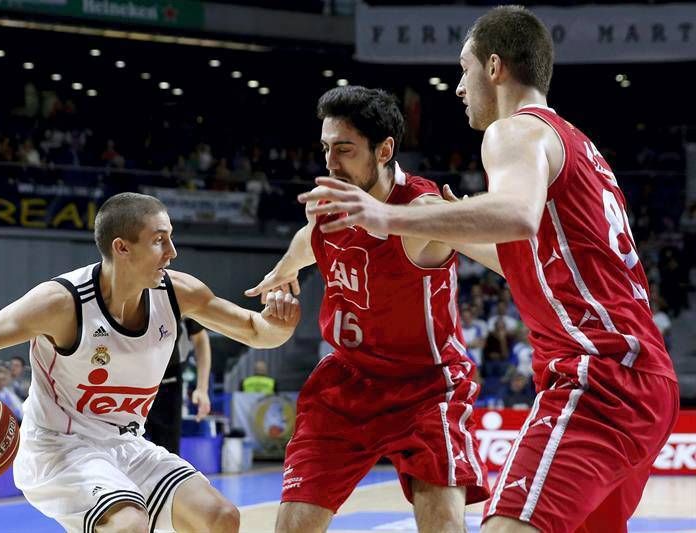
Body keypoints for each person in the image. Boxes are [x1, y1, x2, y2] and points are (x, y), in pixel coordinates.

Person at [296, 7, 678, 533]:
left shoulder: (513, 132)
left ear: (494, 67)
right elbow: (532, 260)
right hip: (644, 376)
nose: (457, 86)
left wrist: (385, 214)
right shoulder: (578, 144)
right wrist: (451, 224)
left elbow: (516, 217)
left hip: (598, 374)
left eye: (463, 68)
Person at [0, 192, 300, 533]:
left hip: (125, 442)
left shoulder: (178, 292)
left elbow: (255, 329)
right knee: (129, 525)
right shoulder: (62, 303)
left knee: (220, 517)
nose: (172, 251)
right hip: (58, 447)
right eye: (159, 240)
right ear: (122, 247)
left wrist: (280, 325)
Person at [246, 86, 488, 533]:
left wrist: (475, 217)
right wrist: (282, 270)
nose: (330, 164)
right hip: (348, 383)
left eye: (344, 149)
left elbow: (500, 250)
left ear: (385, 149)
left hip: (425, 386)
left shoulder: (421, 210)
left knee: (444, 526)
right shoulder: (329, 203)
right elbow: (309, 241)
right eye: (325, 149)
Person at [146, 318, 212, 455]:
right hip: (128, 379)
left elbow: (200, 338)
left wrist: (202, 388)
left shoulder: (179, 297)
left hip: (168, 380)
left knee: (168, 453)